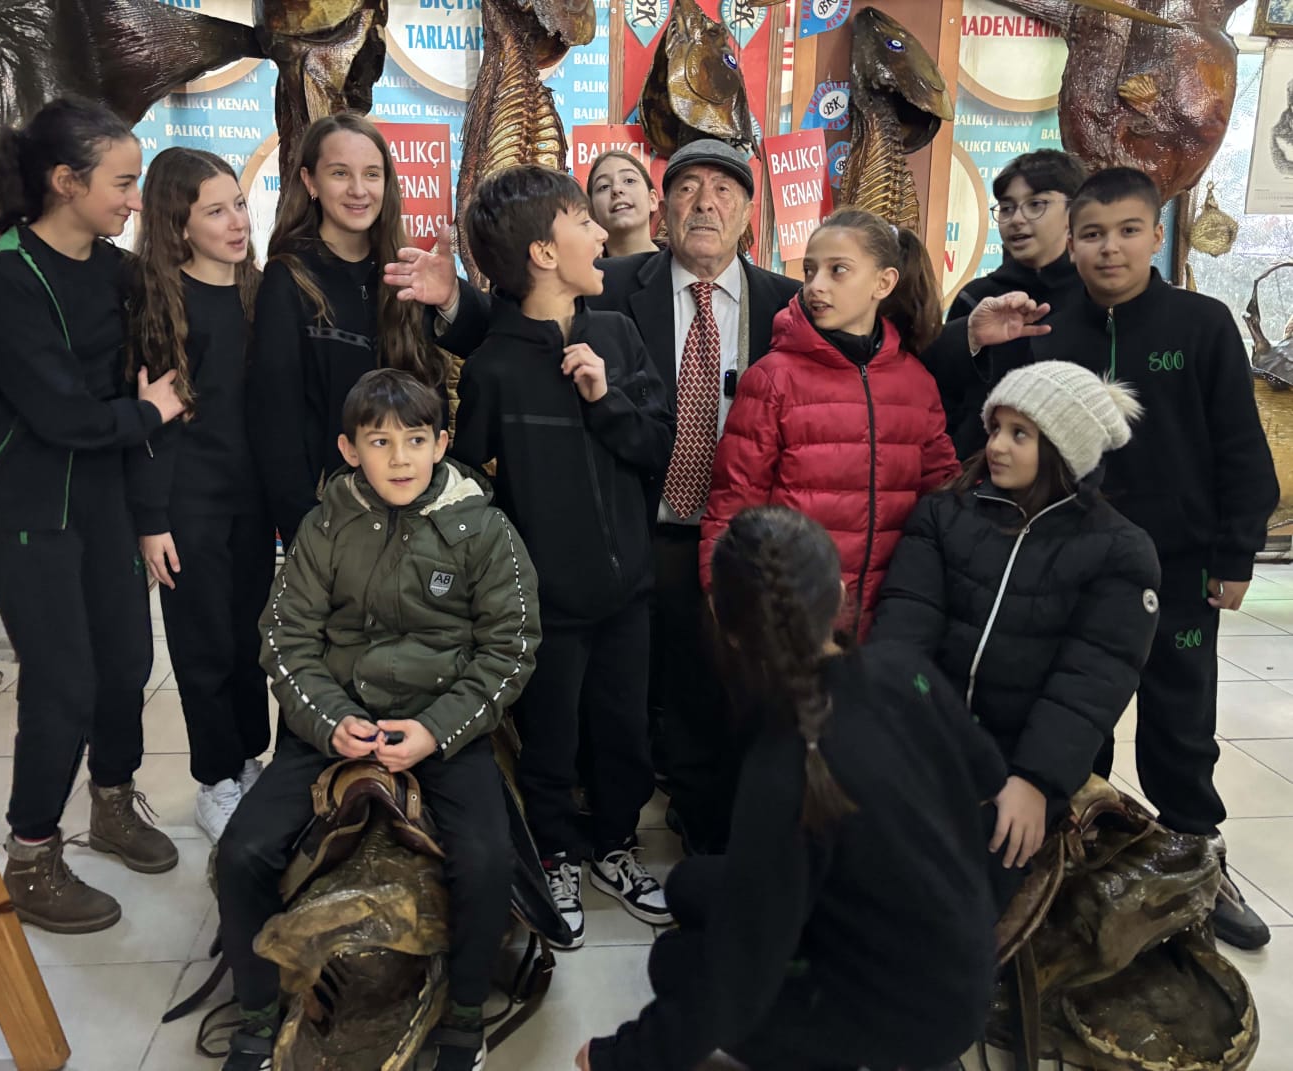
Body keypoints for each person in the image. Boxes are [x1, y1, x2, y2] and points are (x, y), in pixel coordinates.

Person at [387, 137, 801, 856]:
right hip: (611, 556)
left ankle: (682, 829)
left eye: (725, 189)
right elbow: (516, 349)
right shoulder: (616, 285)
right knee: (581, 721)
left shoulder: (788, 305)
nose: (706, 203)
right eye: (688, 188)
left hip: (728, 539)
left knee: (696, 699)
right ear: (663, 207)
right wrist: (456, 299)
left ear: (748, 207)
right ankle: (563, 847)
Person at [577, 507, 1007, 1071]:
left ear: (723, 622)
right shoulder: (904, 670)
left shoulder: (785, 766)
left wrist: (618, 1058)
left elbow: (736, 984)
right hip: (961, 962)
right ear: (841, 594)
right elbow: (989, 776)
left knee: (678, 963)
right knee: (689, 885)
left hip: (909, 1021)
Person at [215, 369, 540, 1071]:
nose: (399, 457)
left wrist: (438, 728)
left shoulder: (484, 529)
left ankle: (462, 1018)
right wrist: (329, 719)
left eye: (416, 440)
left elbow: (511, 648)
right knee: (241, 851)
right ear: (349, 447)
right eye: (381, 441)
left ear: (442, 443)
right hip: (337, 725)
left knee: (485, 858)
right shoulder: (324, 525)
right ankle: (255, 1012)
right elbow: (284, 636)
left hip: (440, 727)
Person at [1027, 167, 1281, 948]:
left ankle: (1198, 862)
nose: (1110, 249)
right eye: (1093, 234)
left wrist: (1234, 552)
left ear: (1155, 235)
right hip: (1072, 567)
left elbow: (1241, 447)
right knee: (1076, 715)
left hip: (1178, 571)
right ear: (1071, 241)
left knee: (1180, 717)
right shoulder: (1045, 327)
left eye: (1128, 231)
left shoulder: (1201, 326)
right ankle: (1070, 865)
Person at [0, 97, 186, 933]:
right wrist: (151, 415)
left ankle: (113, 803)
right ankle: (32, 854)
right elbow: (64, 416)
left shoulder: (116, 272)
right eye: (122, 182)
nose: (133, 198)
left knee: (126, 664)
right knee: (64, 681)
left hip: (100, 493)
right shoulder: (11, 280)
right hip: (26, 500)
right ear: (64, 181)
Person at [451, 165, 677, 943]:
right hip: (545, 604)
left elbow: (656, 444)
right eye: (583, 221)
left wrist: (604, 397)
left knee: (623, 732)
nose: (603, 234)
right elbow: (471, 489)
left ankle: (615, 846)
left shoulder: (614, 332)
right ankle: (554, 854)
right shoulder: (494, 366)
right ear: (544, 252)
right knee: (548, 739)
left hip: (629, 595)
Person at [872, 361, 1161, 904]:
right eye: (996, 429)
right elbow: (905, 633)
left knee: (973, 882)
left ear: (1063, 447)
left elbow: (1090, 682)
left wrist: (1035, 780)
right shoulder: (944, 514)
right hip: (931, 733)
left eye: (1020, 434)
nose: (998, 446)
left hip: (1021, 760)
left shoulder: (1119, 550)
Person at [699, 208, 959, 641]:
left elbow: (941, 492)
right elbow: (734, 499)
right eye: (810, 270)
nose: (816, 286)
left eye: (839, 271)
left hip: (890, 616)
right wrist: (721, 589)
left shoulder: (915, 382)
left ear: (884, 282)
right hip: (791, 612)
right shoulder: (773, 377)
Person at [126, 147, 274, 843]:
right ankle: (215, 776)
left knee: (250, 637)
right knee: (203, 642)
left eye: (238, 204)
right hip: (189, 502)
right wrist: (152, 519)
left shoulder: (259, 292)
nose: (235, 221)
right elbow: (153, 427)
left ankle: (248, 758)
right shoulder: (163, 304)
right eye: (214, 211)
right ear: (178, 224)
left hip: (253, 500)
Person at [248, 112, 450, 549]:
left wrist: (450, 298)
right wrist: (305, 528)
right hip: (330, 525)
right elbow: (275, 423)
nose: (359, 190)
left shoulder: (406, 272)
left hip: (416, 520)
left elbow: (440, 385)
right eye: (340, 173)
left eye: (371, 174)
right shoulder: (288, 281)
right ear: (310, 182)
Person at [922, 149, 1087, 456]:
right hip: (981, 479)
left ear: (1075, 213)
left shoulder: (1098, 297)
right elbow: (936, 396)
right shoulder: (978, 297)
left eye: (1036, 204)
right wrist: (968, 337)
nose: (1017, 219)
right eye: (1008, 208)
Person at [586, 150, 660, 257]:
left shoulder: (681, 265)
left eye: (629, 180)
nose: (616, 189)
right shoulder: (580, 272)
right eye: (604, 186)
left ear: (652, 200)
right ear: (592, 211)